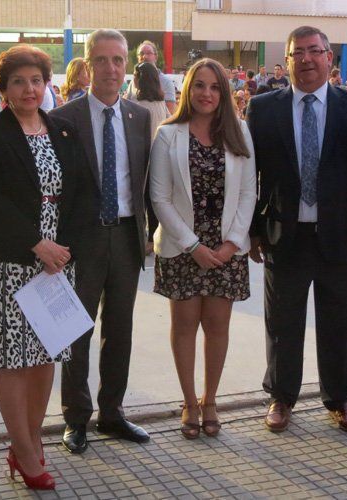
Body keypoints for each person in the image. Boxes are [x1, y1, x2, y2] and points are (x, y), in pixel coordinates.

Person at [246, 25, 347, 435]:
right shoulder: (264, 107)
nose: (306, 59)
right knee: (282, 323)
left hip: (342, 236)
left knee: (341, 322)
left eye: (314, 51)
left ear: (329, 58)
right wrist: (254, 230)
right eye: (297, 53)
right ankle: (281, 396)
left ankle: (340, 398)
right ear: (286, 61)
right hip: (282, 234)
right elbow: (251, 176)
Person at [0, 45, 87, 489]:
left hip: (56, 265)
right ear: (4, 88)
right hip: (8, 265)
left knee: (44, 359)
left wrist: (63, 249)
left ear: (47, 83)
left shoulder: (63, 130)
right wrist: (39, 245)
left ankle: (30, 444)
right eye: (18, 81)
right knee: (14, 361)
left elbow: (78, 194)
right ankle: (24, 450)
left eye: (36, 80)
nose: (29, 89)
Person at [50, 28, 153, 455]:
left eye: (118, 60)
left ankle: (112, 412)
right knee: (76, 332)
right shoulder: (63, 119)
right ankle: (76, 418)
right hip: (81, 241)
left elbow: (145, 180)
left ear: (126, 65)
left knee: (121, 330)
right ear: (87, 64)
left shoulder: (140, 116)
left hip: (127, 237)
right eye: (102, 60)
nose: (111, 69)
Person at [149, 57, 256, 439]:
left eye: (214, 87)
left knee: (217, 327)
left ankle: (211, 400)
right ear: (187, 90)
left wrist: (231, 245)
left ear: (223, 92)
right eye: (199, 86)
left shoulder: (240, 132)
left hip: (226, 248)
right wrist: (193, 245)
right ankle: (189, 402)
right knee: (183, 328)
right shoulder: (168, 134)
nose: (206, 93)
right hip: (183, 248)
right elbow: (159, 198)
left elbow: (248, 193)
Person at [125, 41, 177, 114]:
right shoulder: (133, 82)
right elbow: (126, 105)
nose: (145, 56)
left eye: (149, 53)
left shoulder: (166, 82)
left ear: (156, 57)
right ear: (138, 58)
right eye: (141, 54)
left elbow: (171, 111)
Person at [128, 62, 169, 138]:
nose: (133, 78)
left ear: (141, 79)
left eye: (134, 75)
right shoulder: (161, 102)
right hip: (160, 146)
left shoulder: (137, 106)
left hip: (145, 148)